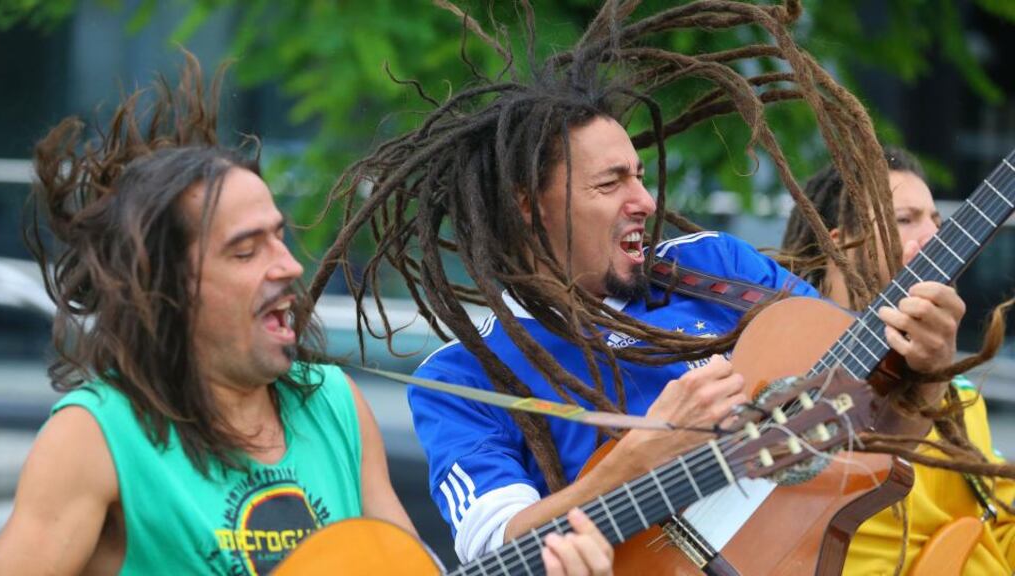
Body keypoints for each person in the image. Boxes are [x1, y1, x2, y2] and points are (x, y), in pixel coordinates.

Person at [311, 3, 976, 566]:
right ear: (527, 206)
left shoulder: (720, 267)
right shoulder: (463, 374)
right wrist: (643, 453)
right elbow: (495, 555)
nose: (646, 200)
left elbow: (866, 431)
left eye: (638, 173)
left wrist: (926, 372)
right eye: (611, 184)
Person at [0, 56, 615, 575]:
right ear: (164, 288)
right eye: (245, 249)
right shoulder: (97, 436)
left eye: (279, 237)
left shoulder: (335, 405)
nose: (288, 265)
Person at [782, 147, 1015, 574]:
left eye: (937, 221)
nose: (937, 237)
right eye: (906, 220)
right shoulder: (786, 386)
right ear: (840, 246)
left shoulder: (965, 399)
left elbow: (997, 534)